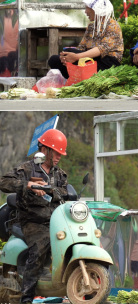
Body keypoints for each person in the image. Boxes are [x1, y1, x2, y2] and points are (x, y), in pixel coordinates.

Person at [0, 129, 69, 303]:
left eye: (61, 153)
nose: (59, 156)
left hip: (55, 219)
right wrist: (28, 185)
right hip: (32, 220)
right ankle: (27, 296)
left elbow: (65, 192)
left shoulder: (59, 174)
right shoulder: (26, 168)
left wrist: (51, 190)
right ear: (45, 150)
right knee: (41, 245)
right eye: (56, 152)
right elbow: (3, 182)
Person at [48, 0, 123, 79]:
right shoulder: (91, 27)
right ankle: (74, 80)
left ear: (96, 9)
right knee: (55, 59)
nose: (85, 12)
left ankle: (79, 77)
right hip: (89, 59)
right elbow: (81, 48)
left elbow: (101, 49)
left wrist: (76, 57)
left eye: (87, 8)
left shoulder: (112, 25)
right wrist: (68, 56)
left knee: (73, 56)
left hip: (107, 63)